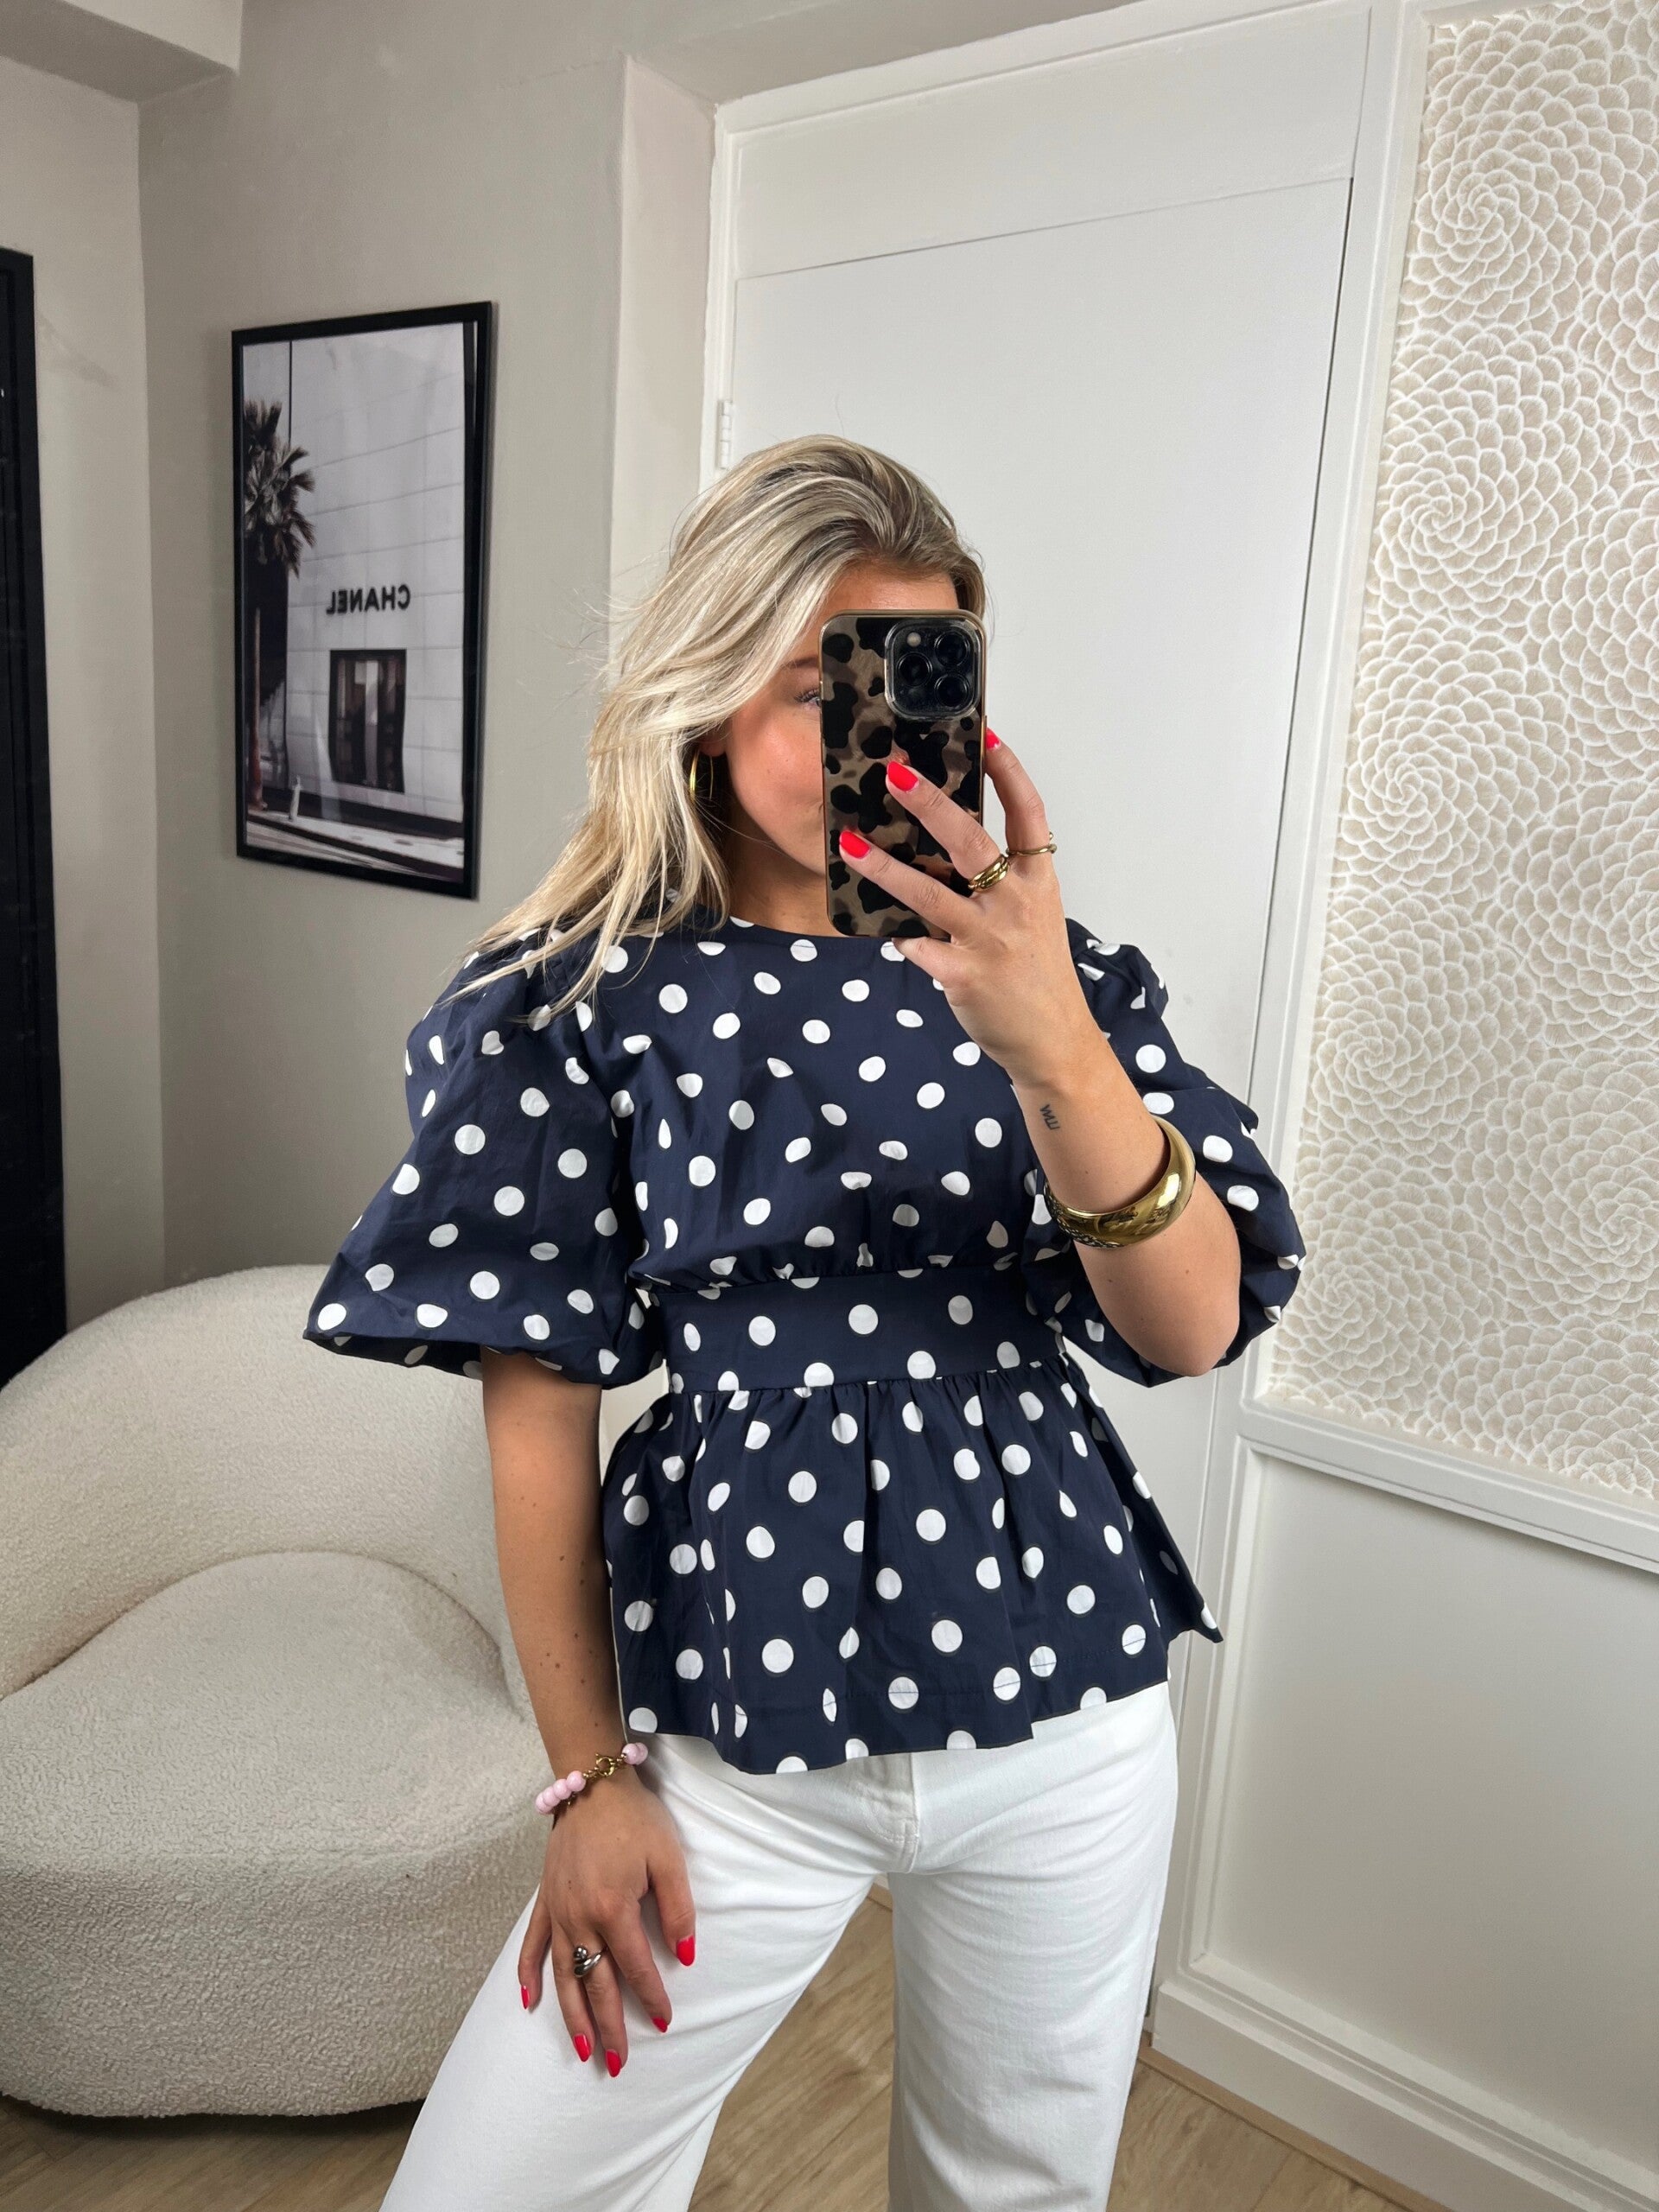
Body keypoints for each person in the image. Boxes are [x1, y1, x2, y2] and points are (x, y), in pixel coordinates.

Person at [303, 434, 1306, 2210]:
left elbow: (1191, 1326)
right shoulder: (578, 999)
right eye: (815, 682)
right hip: (732, 1724)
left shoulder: (1062, 981)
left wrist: (1055, 1044)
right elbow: (535, 1409)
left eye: (924, 673)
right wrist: (584, 1779)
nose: (880, 731)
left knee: (1016, 2192)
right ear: (703, 701)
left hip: (1067, 1712)